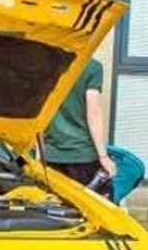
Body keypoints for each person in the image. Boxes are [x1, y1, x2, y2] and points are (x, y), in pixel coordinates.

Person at [41, 57, 115, 195]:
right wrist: (103, 156)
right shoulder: (91, 67)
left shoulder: (48, 65)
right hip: (83, 155)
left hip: (52, 156)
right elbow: (93, 112)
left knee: (56, 206)